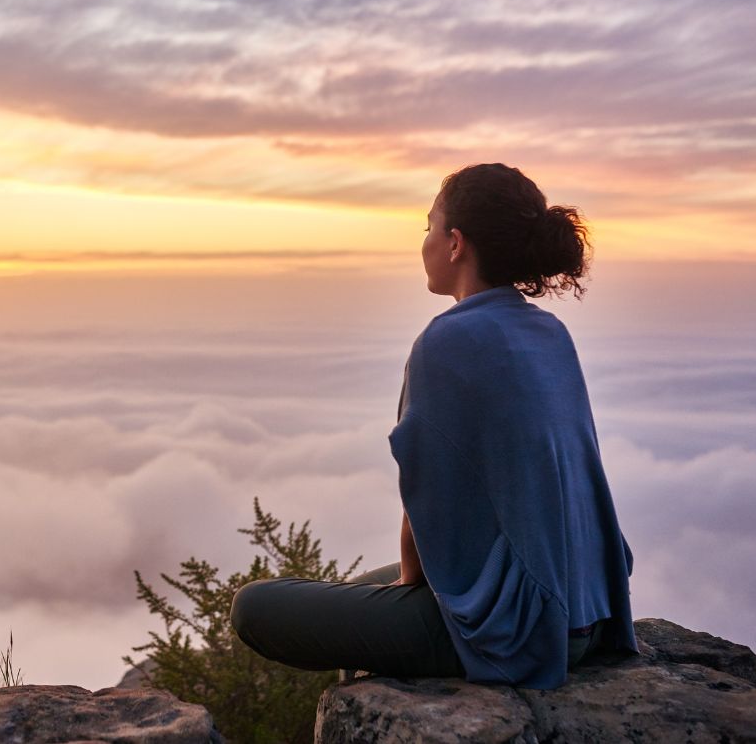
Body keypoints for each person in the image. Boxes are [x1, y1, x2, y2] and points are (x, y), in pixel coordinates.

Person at [229, 163, 638, 689]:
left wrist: (411, 589)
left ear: (455, 244)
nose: (423, 241)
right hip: (588, 608)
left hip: (525, 630)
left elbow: (426, 506)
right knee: (357, 588)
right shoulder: (548, 331)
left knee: (256, 607)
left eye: (428, 227)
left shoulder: (447, 341)